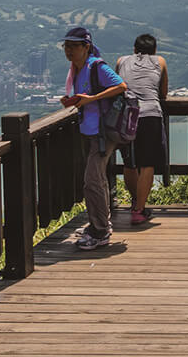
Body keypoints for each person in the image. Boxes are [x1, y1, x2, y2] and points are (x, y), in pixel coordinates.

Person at [59, 26, 126, 250]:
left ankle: (100, 231)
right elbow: (85, 98)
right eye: (66, 45)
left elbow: (121, 85)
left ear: (86, 47)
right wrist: (74, 101)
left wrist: (91, 99)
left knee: (92, 181)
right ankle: (100, 224)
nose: (68, 50)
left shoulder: (96, 66)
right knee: (97, 180)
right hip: (90, 131)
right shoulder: (76, 69)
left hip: (103, 132)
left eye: (73, 46)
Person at [116, 33, 168, 225]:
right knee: (147, 163)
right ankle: (139, 210)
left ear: (134, 49)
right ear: (154, 50)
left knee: (130, 163)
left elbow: (118, 87)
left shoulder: (121, 61)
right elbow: (163, 92)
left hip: (127, 115)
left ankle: (135, 204)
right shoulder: (160, 61)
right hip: (150, 115)